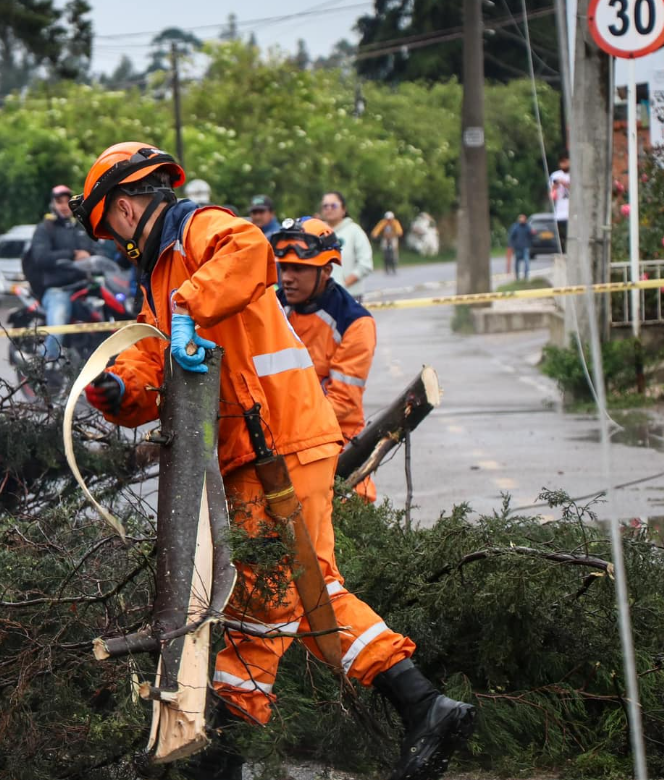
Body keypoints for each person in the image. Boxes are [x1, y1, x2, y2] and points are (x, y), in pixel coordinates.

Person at [72, 142, 475, 780]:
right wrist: (119, 388)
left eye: (107, 229)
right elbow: (158, 360)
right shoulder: (160, 274)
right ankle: (239, 753)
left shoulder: (197, 231)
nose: (113, 242)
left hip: (277, 442)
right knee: (267, 605)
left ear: (122, 208)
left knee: (302, 595)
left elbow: (251, 251)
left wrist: (186, 308)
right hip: (253, 452)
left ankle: (419, 706)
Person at [272, 218, 377, 503]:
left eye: (299, 269)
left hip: (336, 451)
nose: (288, 277)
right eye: (284, 268)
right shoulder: (272, 309)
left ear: (326, 270)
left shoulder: (354, 323)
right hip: (277, 447)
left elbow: (341, 404)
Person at [28, 183, 96, 362]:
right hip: (58, 290)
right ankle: (46, 367)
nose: (64, 205)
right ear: (53, 204)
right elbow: (40, 257)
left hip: (84, 287)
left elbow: (96, 249)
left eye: (67, 201)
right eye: (60, 202)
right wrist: (72, 255)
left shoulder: (79, 228)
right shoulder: (45, 229)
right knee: (58, 326)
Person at [320, 191, 373, 302]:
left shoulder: (354, 231)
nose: (329, 209)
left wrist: (343, 284)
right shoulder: (318, 232)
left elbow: (365, 264)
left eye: (333, 205)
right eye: (325, 206)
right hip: (323, 297)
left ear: (343, 209)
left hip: (350, 295)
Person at [371, 210, 403, 275]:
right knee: (384, 248)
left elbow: (399, 230)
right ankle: (385, 263)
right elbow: (378, 228)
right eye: (387, 219)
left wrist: (398, 233)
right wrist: (375, 234)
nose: (389, 221)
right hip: (385, 238)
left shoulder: (395, 222)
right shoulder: (383, 222)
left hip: (393, 237)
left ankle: (395, 262)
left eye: (390, 219)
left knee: (394, 249)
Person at [550, 153, 570, 252]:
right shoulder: (555, 175)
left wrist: (565, 184)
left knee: (571, 237)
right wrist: (554, 187)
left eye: (566, 162)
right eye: (562, 162)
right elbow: (551, 195)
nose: (564, 164)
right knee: (562, 238)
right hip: (560, 213)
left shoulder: (574, 175)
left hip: (572, 213)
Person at [508, 213, 534, 281]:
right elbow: (512, 237)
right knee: (517, 262)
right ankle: (517, 277)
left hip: (525, 247)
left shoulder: (527, 227)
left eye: (523, 219)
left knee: (526, 262)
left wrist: (532, 235)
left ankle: (526, 277)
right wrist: (512, 246)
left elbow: (531, 236)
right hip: (518, 248)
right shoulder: (515, 227)